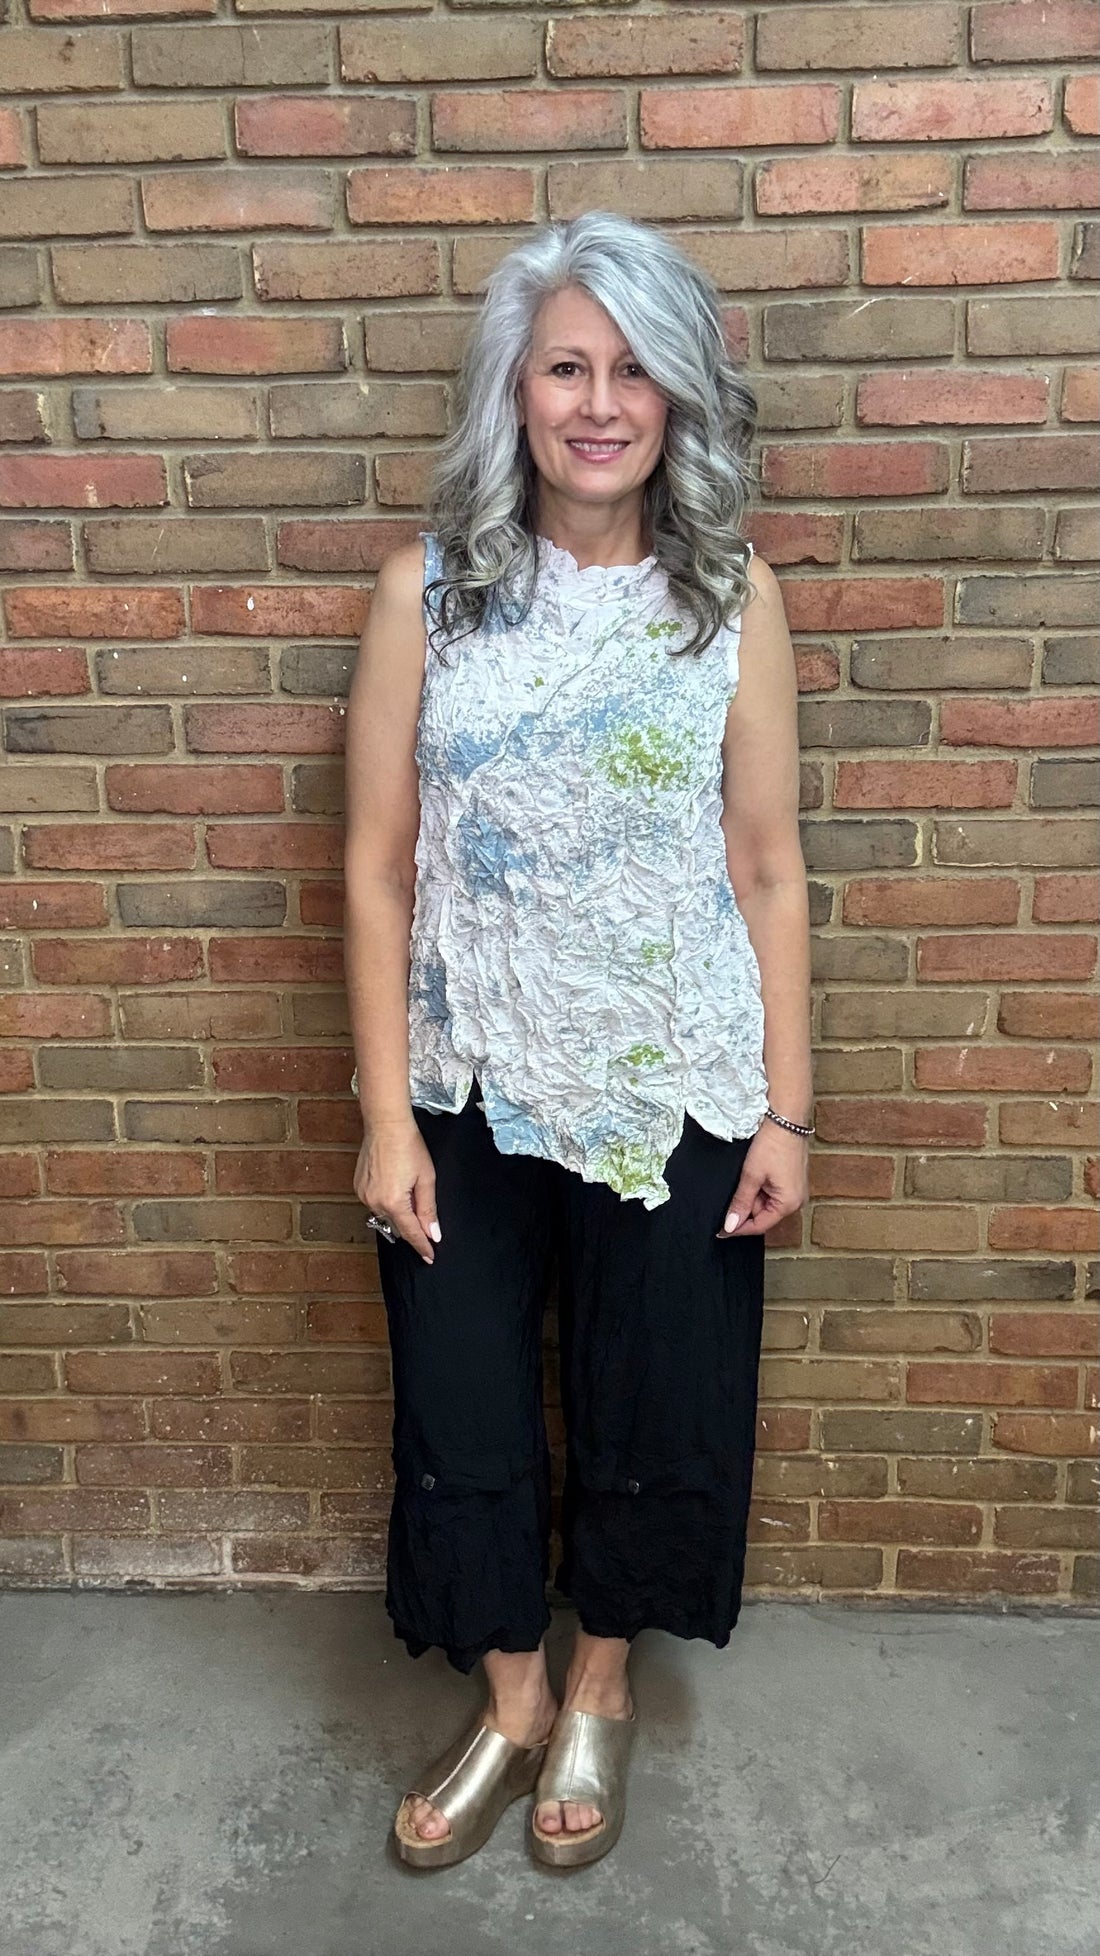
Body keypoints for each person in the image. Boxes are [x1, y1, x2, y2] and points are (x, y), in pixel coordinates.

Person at [342, 210, 812, 1870]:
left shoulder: (730, 601)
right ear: (514, 393)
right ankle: (516, 1696)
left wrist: (788, 1113)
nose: (598, 403)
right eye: (565, 366)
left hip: (674, 1085)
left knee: (653, 1406)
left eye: (634, 369)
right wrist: (387, 1114)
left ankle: (604, 1681)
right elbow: (376, 868)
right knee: (464, 1408)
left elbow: (766, 865)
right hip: (467, 1081)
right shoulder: (431, 593)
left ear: (680, 397)